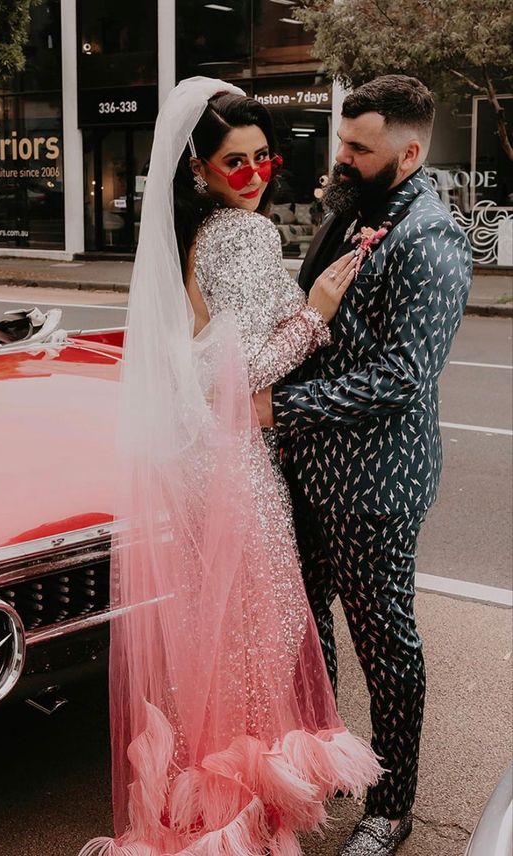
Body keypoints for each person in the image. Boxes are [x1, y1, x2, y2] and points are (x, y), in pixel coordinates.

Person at [79, 77, 381, 856]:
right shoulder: (240, 238)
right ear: (201, 170)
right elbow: (244, 371)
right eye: (233, 163)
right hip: (233, 471)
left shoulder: (186, 239)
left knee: (210, 643)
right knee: (256, 635)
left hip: (192, 467)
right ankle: (247, 818)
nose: (253, 175)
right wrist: (314, 312)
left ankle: (211, 803)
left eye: (261, 159)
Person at [253, 75, 473, 856]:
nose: (338, 157)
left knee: (385, 640)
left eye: (358, 148)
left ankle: (391, 806)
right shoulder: (352, 205)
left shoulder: (430, 237)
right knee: (308, 629)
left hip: (375, 481)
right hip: (304, 471)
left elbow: (400, 375)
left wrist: (278, 409)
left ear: (409, 152)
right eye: (339, 141)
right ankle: (326, 762)